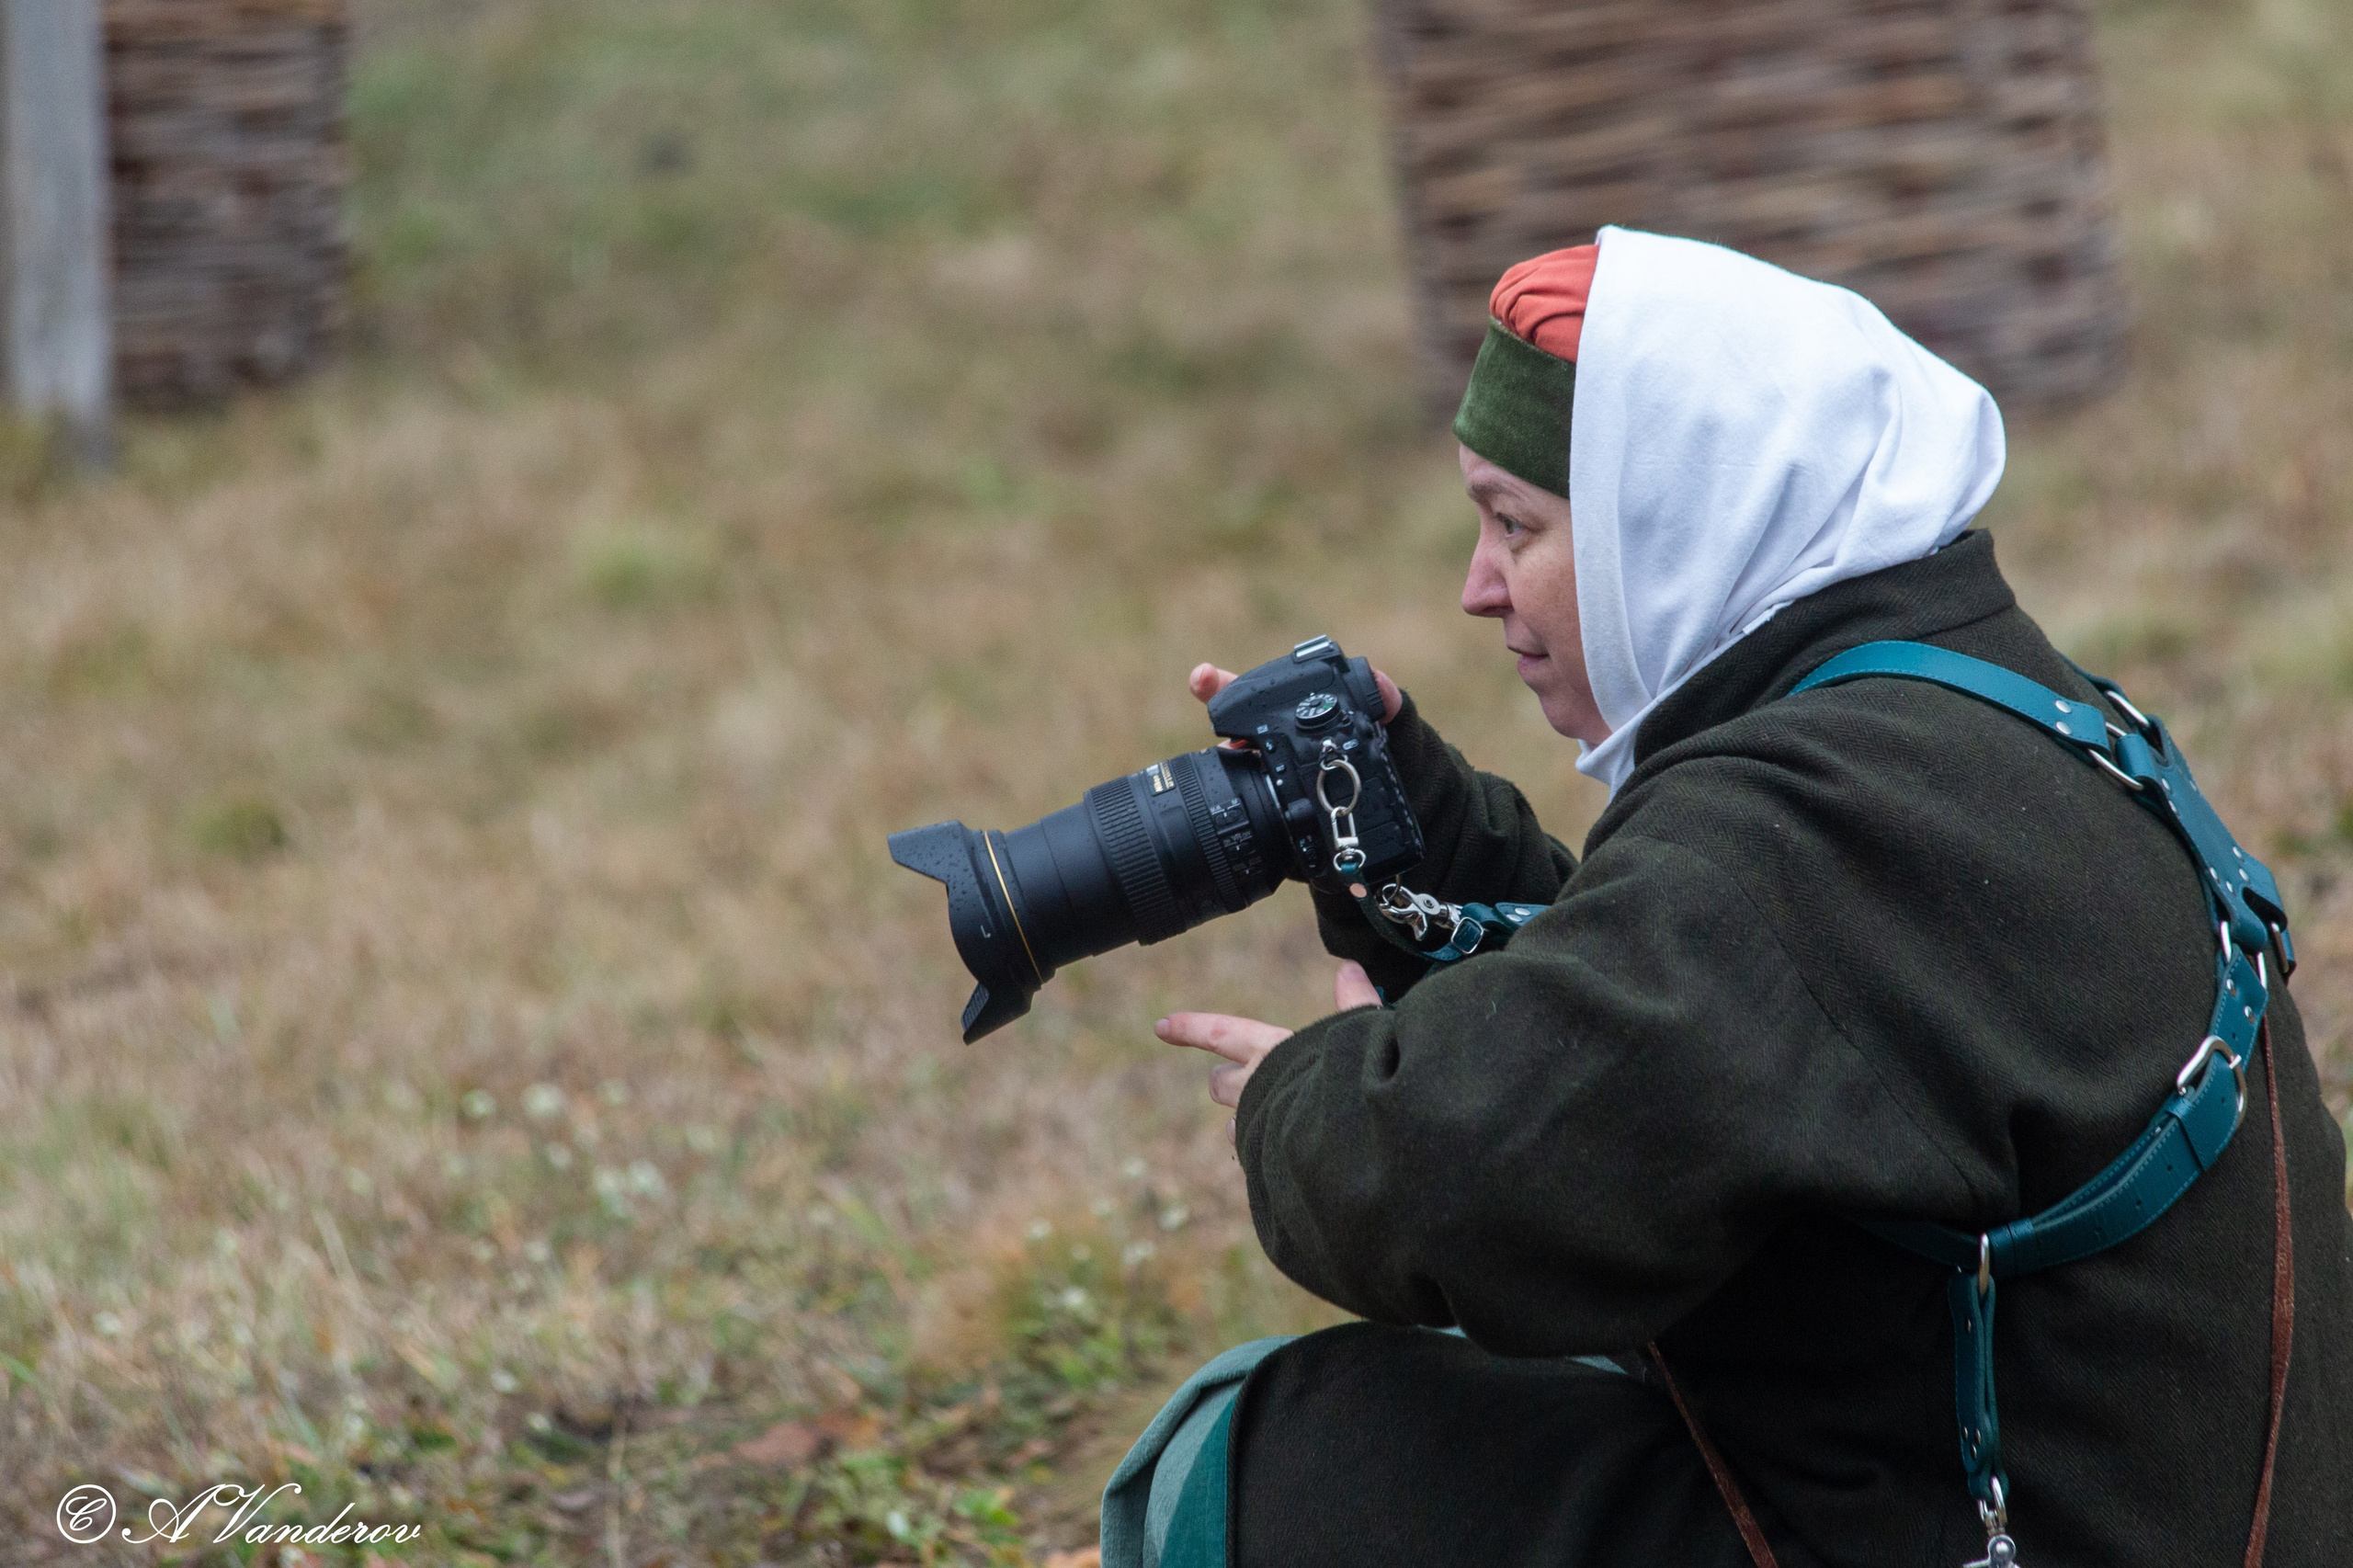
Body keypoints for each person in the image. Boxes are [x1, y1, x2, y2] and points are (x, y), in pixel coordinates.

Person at [1100, 229, 2353, 1568]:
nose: (1475, 588)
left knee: (1268, 1448)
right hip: (2155, 1507)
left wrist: (1304, 1091)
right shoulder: (1993, 714)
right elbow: (1709, 1049)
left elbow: (1469, 1188)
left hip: (2029, 1530)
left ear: (1669, 520)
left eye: (1515, 524)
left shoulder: (1804, 829)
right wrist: (1426, 834)